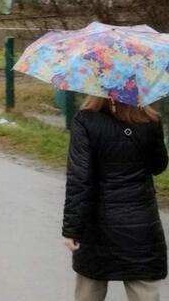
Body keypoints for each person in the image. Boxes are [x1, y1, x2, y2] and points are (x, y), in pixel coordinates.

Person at [64, 96, 168, 301]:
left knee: (89, 291)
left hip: (97, 226)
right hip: (141, 227)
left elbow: (79, 179)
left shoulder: (85, 120)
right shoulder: (150, 120)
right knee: (144, 291)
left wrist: (71, 229)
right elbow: (158, 166)